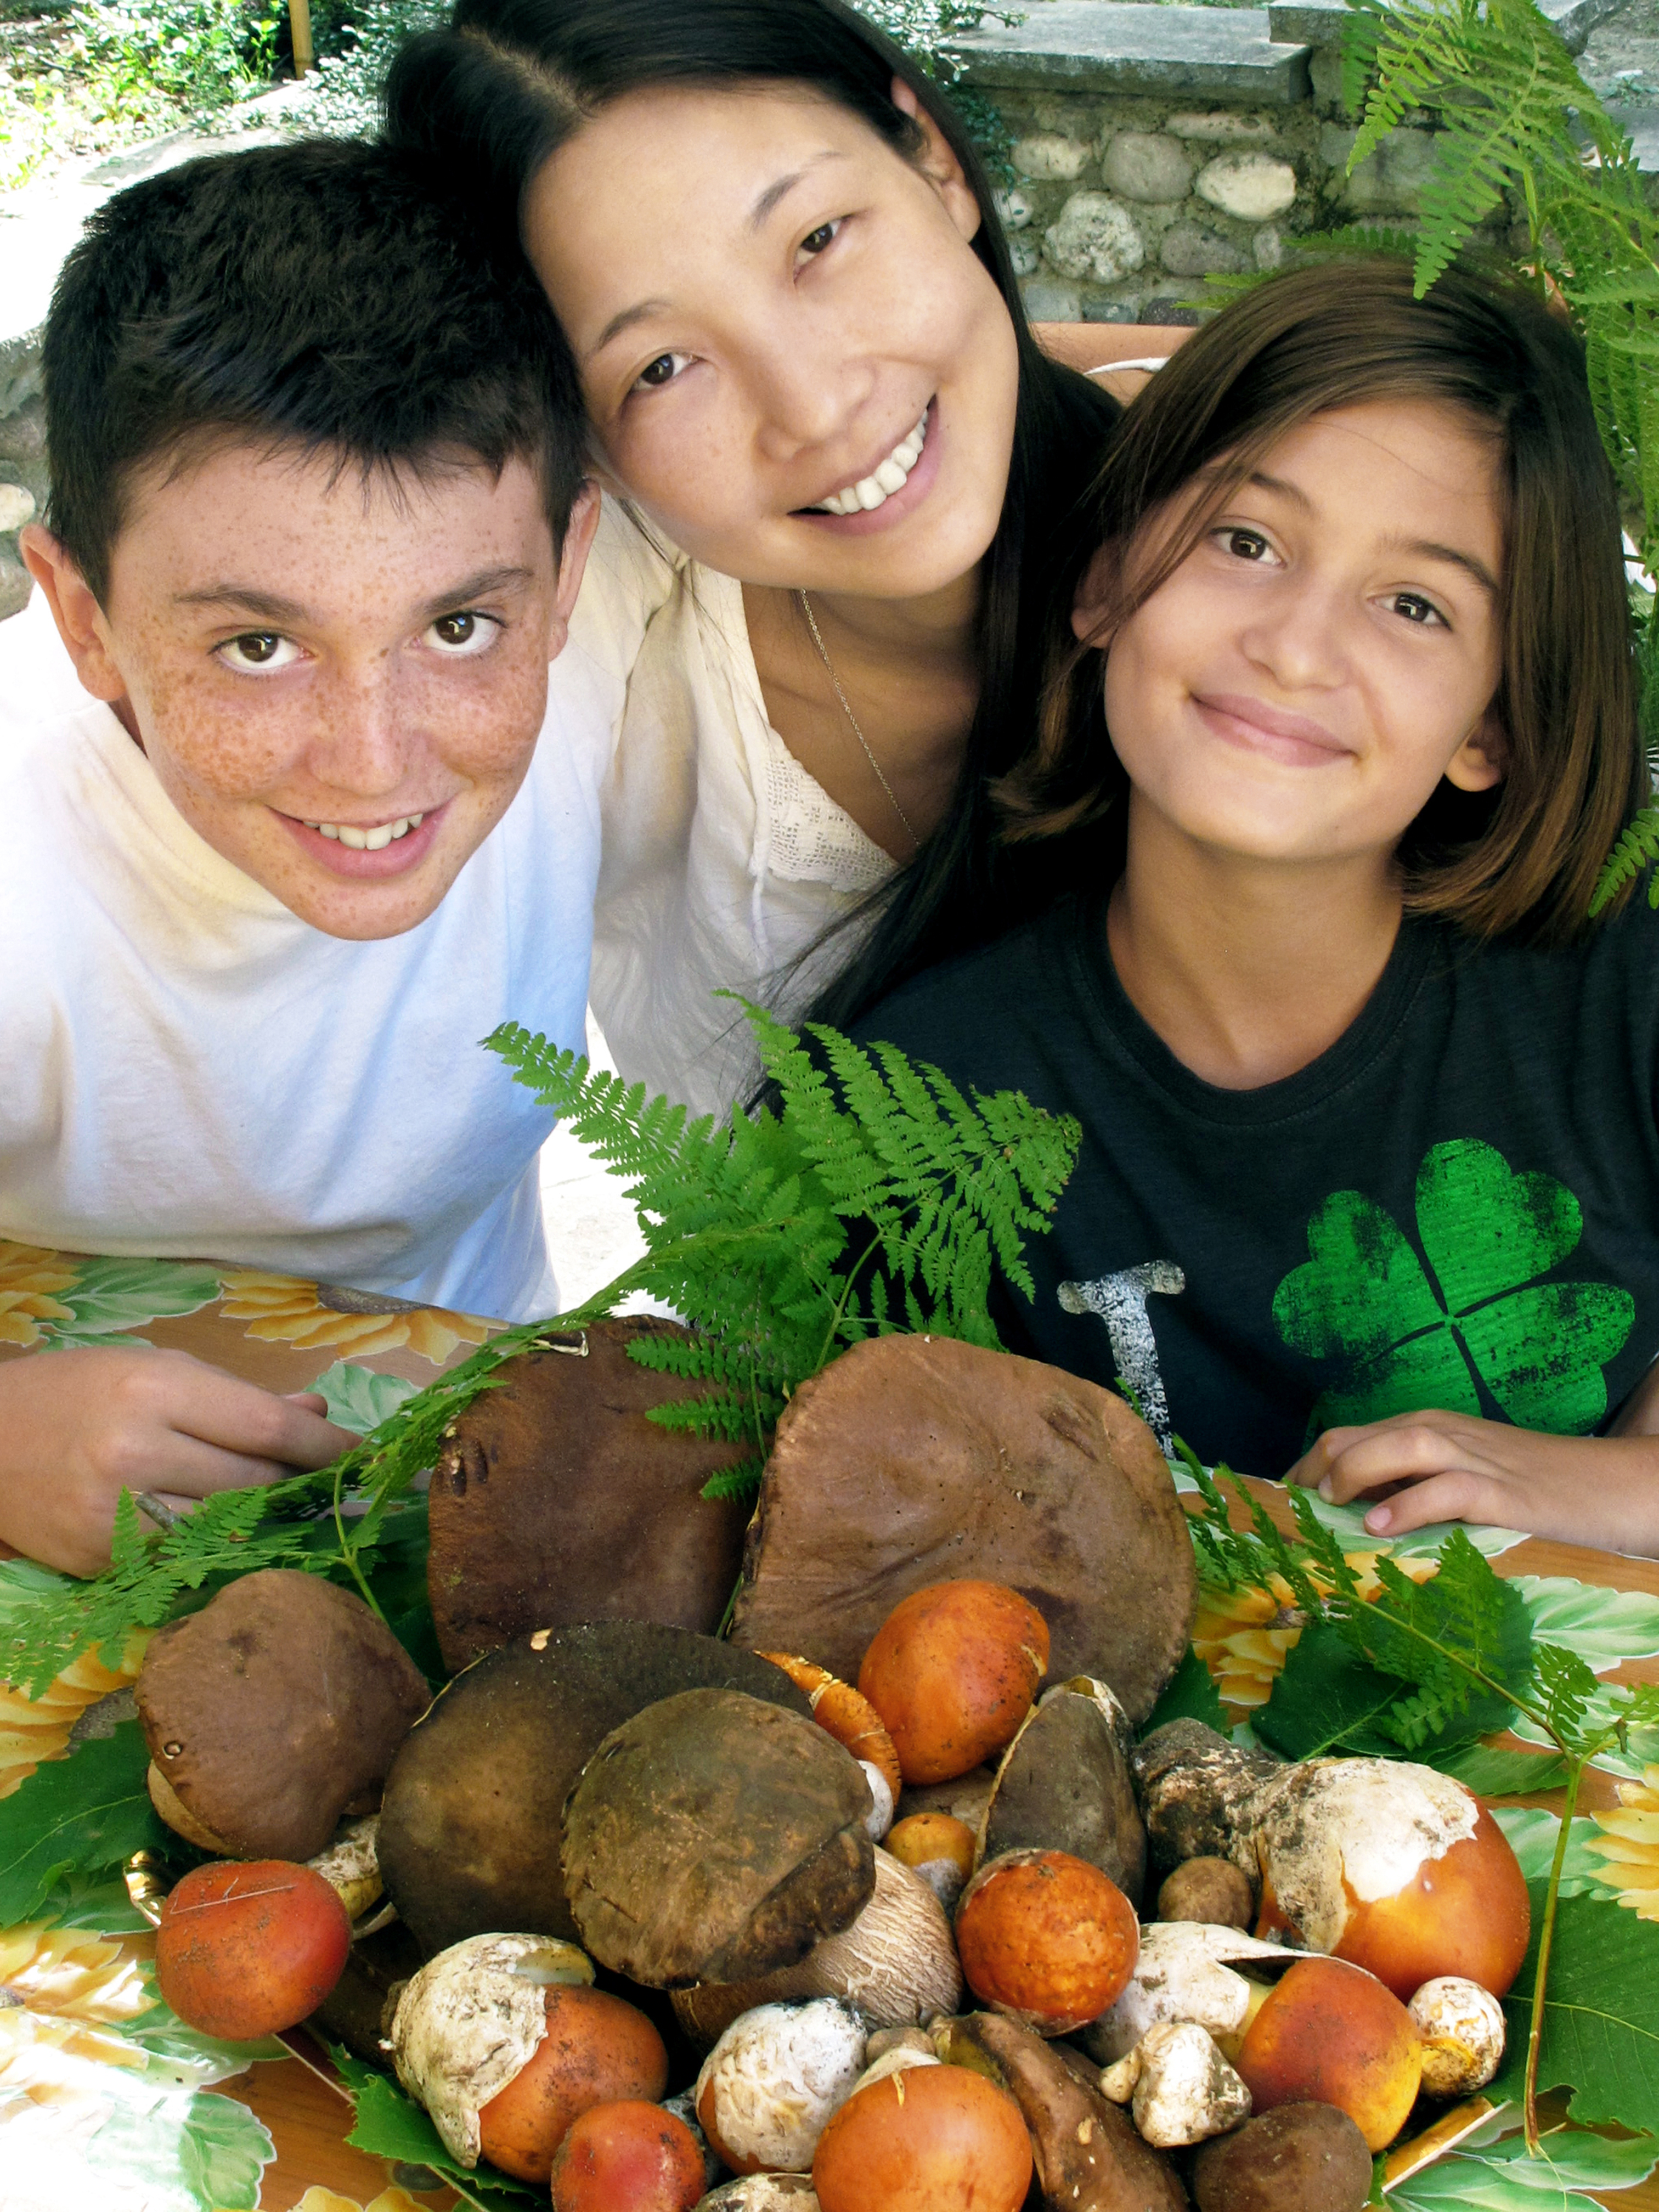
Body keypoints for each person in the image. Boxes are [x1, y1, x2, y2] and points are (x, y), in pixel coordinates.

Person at [848, 256, 1659, 1558]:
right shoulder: (903, 1108)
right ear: (1106, 581)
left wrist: (1602, 1492)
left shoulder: (1622, 983)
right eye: (1247, 541)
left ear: (1493, 724)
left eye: (1414, 604)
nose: (1295, 644)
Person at [0, 138, 606, 1574]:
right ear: (81, 620)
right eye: (257, 646)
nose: (376, 761)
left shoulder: (624, 664)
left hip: (482, 1474)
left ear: (572, 574)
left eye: (460, 626)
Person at [384, 0, 1137, 1116]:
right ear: (583, 447)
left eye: (818, 241)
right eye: (662, 366)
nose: (819, 406)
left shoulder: (1260, 546)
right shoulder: (604, 659)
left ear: (933, 160)